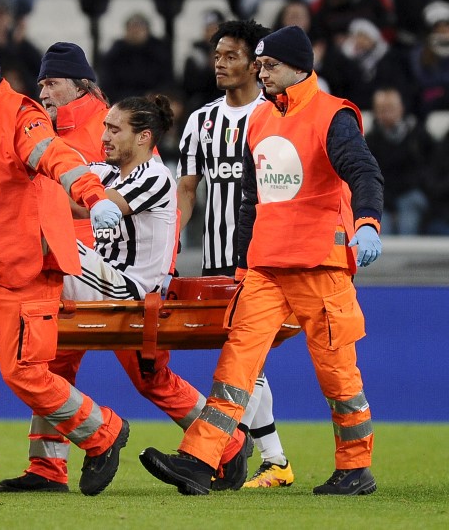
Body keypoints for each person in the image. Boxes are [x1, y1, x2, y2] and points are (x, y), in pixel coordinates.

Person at [0, 43, 252, 494]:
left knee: (46, 259)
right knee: (148, 381)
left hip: (133, 291)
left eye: (114, 130)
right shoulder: (109, 169)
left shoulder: (153, 177)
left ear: (143, 138)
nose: (106, 137)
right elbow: (76, 186)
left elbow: (84, 200)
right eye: (106, 129)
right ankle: (228, 444)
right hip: (113, 285)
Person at [139, 25, 383, 496]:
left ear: (299, 67)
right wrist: (246, 263)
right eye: (262, 65)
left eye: (270, 66)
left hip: (319, 263)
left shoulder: (333, 116)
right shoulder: (262, 120)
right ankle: (199, 459)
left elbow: (362, 171)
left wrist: (368, 221)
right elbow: (253, 201)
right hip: (267, 267)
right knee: (236, 365)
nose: (262, 72)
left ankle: (356, 467)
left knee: (337, 372)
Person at [0, 39, 129, 498]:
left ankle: (104, 433)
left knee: (24, 374)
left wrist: (94, 197)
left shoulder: (21, 115)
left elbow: (56, 157)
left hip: (23, 270)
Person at [176, 18, 295, 489]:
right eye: (217, 55)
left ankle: (253, 453)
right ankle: (265, 457)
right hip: (216, 260)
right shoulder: (200, 121)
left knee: (246, 357)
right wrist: (172, 241)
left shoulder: (276, 117)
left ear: (255, 63)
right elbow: (187, 189)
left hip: (265, 260)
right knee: (246, 360)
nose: (220, 64)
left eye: (231, 56)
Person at [364, 86, 432, 235]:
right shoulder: (370, 140)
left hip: (412, 192)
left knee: (408, 222)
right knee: (380, 226)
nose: (386, 113)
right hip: (382, 197)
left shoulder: (417, 135)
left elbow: (429, 166)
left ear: (401, 108)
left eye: (390, 108)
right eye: (382, 109)